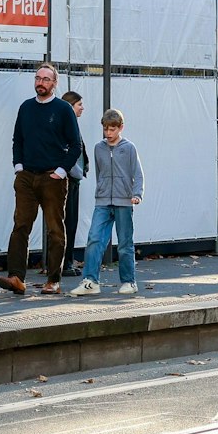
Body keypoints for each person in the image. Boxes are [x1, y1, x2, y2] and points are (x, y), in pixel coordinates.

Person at [0, 64, 83, 296]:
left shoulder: (63, 109)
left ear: (54, 83)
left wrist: (61, 171)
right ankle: (16, 277)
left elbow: (76, 145)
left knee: (55, 229)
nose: (41, 82)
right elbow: (18, 139)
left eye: (46, 79)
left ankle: (53, 280)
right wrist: (18, 166)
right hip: (27, 177)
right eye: (38, 78)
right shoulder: (26, 108)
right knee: (21, 226)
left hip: (52, 178)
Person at [71, 108, 142, 297]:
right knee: (94, 238)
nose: (109, 133)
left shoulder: (129, 148)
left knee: (125, 243)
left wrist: (137, 194)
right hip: (102, 201)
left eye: (112, 129)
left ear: (121, 128)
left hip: (124, 201)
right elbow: (100, 172)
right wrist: (101, 190)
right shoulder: (98, 148)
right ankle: (91, 281)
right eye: (105, 129)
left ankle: (129, 281)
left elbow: (137, 173)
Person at [59, 90, 89, 280]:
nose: (82, 108)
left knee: (70, 223)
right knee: (67, 223)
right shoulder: (66, 126)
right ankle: (65, 263)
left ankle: (66, 262)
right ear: (70, 106)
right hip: (68, 179)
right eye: (79, 104)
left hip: (71, 178)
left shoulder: (68, 125)